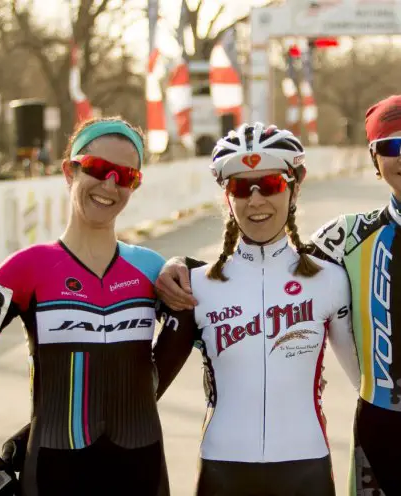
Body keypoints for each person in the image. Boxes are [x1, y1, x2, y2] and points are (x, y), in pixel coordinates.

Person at [156, 94, 401, 496]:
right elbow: (265, 268)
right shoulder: (345, 237)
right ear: (375, 160)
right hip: (376, 441)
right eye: (390, 146)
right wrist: (180, 264)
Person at [0, 117, 171, 496]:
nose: (110, 185)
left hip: (141, 473)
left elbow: (216, 337)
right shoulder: (27, 268)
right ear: (69, 171)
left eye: (125, 176)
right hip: (53, 474)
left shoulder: (153, 269)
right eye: (97, 169)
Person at [153, 123, 360, 495]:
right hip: (222, 471)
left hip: (306, 468)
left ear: (295, 187)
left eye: (270, 185)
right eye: (239, 187)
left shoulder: (330, 280)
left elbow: (368, 383)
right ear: (226, 197)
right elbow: (142, 393)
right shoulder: (195, 286)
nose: (256, 200)